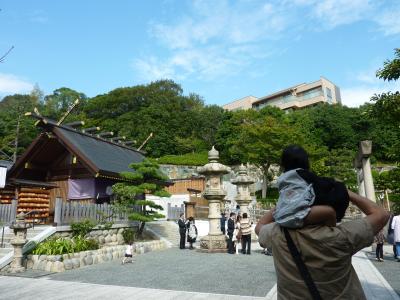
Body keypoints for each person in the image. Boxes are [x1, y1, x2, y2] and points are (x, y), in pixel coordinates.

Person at [256, 148, 389, 299]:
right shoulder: (343, 237)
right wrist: (344, 191)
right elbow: (381, 215)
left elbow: (259, 226)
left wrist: (286, 203)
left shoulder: (277, 234)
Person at [273, 145, 347, 229]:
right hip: (298, 216)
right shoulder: (301, 173)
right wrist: (334, 181)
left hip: (280, 217)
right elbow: (323, 184)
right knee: (332, 206)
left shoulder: (282, 178)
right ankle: (332, 231)